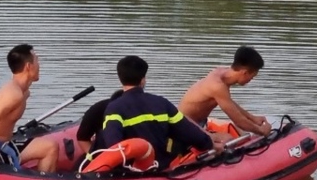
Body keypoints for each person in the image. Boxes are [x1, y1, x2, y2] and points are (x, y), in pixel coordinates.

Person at [88, 56, 220, 171]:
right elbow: (189, 132)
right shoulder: (161, 103)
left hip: (127, 173)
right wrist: (210, 144)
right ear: (143, 79)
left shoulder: (114, 109)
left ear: (120, 78)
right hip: (160, 170)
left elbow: (114, 147)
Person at [0, 44, 60, 173]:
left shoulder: (24, 92)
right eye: (37, 61)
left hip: (5, 145)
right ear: (28, 66)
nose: (40, 65)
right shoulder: (13, 94)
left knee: (50, 147)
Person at [178, 46, 271, 142]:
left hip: (198, 122)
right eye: (252, 77)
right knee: (228, 139)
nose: (251, 80)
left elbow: (229, 103)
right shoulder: (218, 86)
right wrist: (261, 131)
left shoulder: (222, 74)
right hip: (184, 125)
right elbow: (239, 121)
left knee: (241, 133)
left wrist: (253, 118)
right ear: (245, 73)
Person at [74, 89, 123, 158]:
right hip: (104, 155)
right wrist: (96, 159)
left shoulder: (140, 108)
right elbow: (82, 138)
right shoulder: (98, 109)